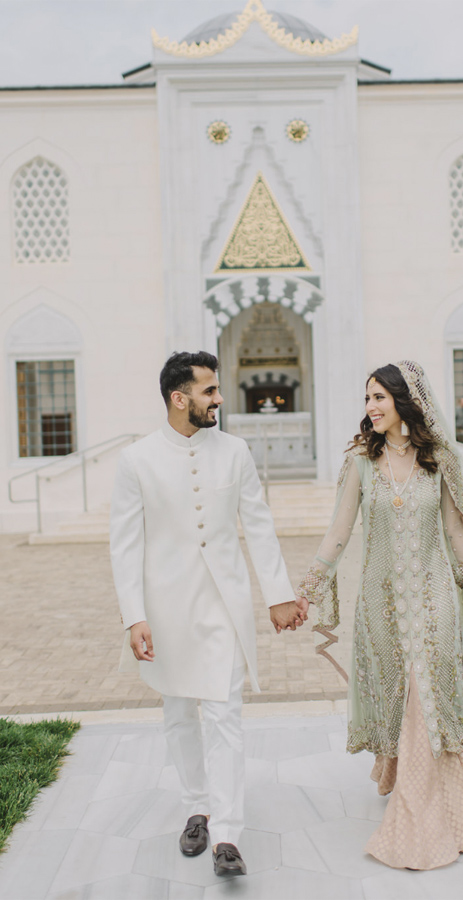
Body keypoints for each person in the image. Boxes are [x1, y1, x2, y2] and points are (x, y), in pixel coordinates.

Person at [296, 361, 463, 870]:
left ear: (404, 400)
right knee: (400, 700)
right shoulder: (361, 462)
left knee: (426, 694)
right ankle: (428, 790)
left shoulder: (437, 461)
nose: (370, 408)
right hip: (381, 605)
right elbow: (339, 532)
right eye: (366, 399)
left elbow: (455, 532)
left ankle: (423, 818)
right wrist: (309, 589)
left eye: (378, 398)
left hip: (435, 602)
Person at [110, 351, 307, 878]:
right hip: (166, 609)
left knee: (225, 715)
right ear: (180, 398)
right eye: (209, 391)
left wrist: (278, 594)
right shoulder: (137, 460)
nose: (220, 398)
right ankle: (197, 806)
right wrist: (135, 616)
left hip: (224, 605)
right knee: (179, 714)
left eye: (218, 390)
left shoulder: (236, 451)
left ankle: (227, 835)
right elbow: (124, 546)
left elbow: (258, 526)